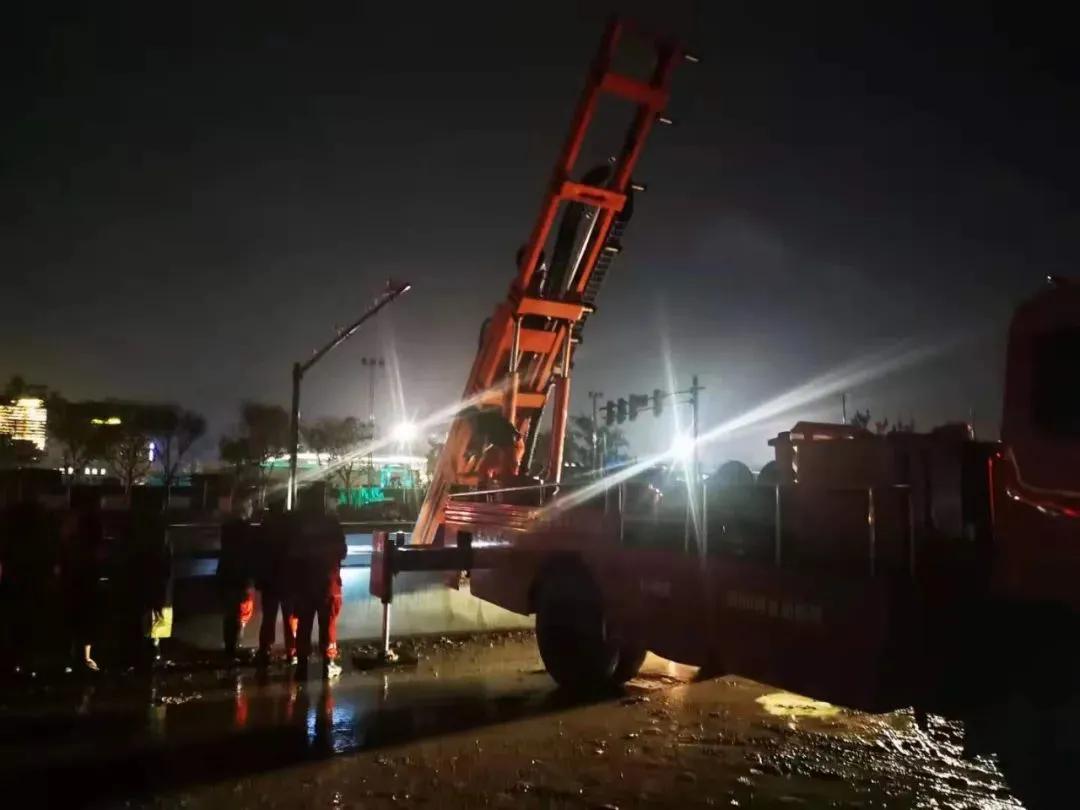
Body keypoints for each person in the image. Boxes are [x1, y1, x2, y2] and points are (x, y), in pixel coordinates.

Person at [291, 488, 346, 679]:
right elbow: (342, 551)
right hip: (327, 583)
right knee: (328, 624)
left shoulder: (299, 525)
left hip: (304, 584)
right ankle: (328, 664)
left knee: (304, 625)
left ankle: (302, 665)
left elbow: (293, 555)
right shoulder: (332, 524)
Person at [59, 502, 106, 672]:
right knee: (86, 622)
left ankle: (74, 657)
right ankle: (84, 658)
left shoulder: (73, 544)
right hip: (86, 584)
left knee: (77, 620)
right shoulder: (91, 547)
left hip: (75, 584)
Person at [254, 504, 298, 666]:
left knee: (269, 618)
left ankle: (265, 650)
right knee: (289, 618)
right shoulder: (290, 526)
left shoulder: (265, 527)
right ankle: (291, 651)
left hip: (270, 580)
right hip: (287, 579)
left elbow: (258, 555)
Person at [218, 501, 256, 660]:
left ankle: (229, 646)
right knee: (241, 612)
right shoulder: (247, 529)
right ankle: (234, 645)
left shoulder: (227, 528)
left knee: (230, 613)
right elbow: (249, 555)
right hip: (241, 576)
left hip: (227, 574)